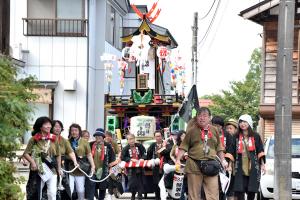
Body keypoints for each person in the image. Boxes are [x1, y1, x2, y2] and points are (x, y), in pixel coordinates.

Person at [176, 107, 228, 200]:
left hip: (211, 165)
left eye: (204, 116)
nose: (202, 118)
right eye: (199, 116)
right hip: (194, 165)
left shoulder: (214, 130)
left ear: (209, 118)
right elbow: (183, 146)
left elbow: (219, 147)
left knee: (213, 195)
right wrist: (177, 160)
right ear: (196, 118)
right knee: (194, 196)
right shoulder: (191, 130)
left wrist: (223, 160)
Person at [23, 116, 61, 200]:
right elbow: (26, 153)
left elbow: (58, 155)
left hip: (52, 168)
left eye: (49, 124)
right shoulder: (34, 139)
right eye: (46, 124)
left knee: (52, 193)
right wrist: (32, 162)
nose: (49, 126)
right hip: (39, 168)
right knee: (37, 192)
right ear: (40, 127)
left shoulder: (54, 139)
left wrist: (59, 168)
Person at [233, 114, 266, 200]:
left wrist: (262, 164)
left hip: (253, 167)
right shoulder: (236, 136)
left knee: (251, 191)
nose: (242, 124)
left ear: (249, 123)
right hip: (239, 167)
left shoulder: (256, 136)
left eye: (244, 122)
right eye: (240, 122)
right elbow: (231, 151)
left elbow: (260, 150)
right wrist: (229, 165)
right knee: (240, 191)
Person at [67, 123, 95, 200]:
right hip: (69, 169)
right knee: (70, 189)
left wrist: (93, 166)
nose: (74, 132)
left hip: (81, 169)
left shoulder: (84, 142)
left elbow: (89, 155)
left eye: (76, 130)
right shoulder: (67, 142)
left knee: (80, 190)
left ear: (79, 131)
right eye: (72, 130)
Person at [52, 120, 78, 200]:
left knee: (65, 187)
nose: (57, 128)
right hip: (49, 164)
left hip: (62, 165)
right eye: (55, 126)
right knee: (51, 188)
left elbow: (70, 152)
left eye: (59, 127)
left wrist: (75, 161)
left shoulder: (64, 140)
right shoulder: (47, 138)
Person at [86, 129, 116, 200]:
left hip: (103, 169)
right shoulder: (91, 144)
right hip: (92, 169)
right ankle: (92, 198)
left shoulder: (108, 145)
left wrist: (111, 166)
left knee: (102, 187)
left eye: (99, 136)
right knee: (91, 185)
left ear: (103, 137)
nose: (97, 137)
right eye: (96, 136)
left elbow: (112, 157)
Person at [211, 116, 235, 200]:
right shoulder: (209, 134)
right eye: (214, 125)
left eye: (218, 126)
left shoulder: (228, 135)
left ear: (222, 126)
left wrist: (228, 164)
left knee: (225, 186)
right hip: (212, 163)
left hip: (225, 163)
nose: (216, 127)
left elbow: (230, 150)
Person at [121, 134, 147, 200]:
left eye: (132, 139)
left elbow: (144, 153)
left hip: (140, 167)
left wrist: (142, 158)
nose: (131, 140)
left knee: (140, 182)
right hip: (131, 169)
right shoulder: (125, 148)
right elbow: (123, 157)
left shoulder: (139, 146)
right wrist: (130, 159)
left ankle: (140, 196)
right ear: (127, 140)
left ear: (134, 139)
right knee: (132, 183)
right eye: (129, 139)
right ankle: (133, 195)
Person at [147, 130, 169, 200]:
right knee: (156, 183)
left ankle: (164, 197)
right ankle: (157, 197)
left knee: (164, 183)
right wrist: (150, 162)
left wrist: (164, 147)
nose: (158, 138)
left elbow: (168, 153)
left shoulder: (166, 144)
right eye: (156, 136)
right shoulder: (153, 145)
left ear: (162, 136)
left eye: (159, 136)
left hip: (165, 166)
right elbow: (148, 155)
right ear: (154, 137)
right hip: (156, 167)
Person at [170, 130, 187, 200]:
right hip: (179, 168)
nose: (184, 137)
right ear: (179, 137)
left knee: (189, 188)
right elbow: (171, 154)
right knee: (180, 188)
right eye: (182, 136)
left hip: (188, 167)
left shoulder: (189, 145)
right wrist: (176, 160)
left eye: (185, 136)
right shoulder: (176, 145)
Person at [104, 131, 123, 198]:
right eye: (106, 136)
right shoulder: (102, 143)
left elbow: (119, 152)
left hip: (114, 163)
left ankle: (114, 190)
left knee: (115, 176)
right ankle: (111, 191)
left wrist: (116, 161)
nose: (107, 138)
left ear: (111, 137)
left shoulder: (114, 144)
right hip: (105, 163)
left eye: (109, 136)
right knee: (109, 178)